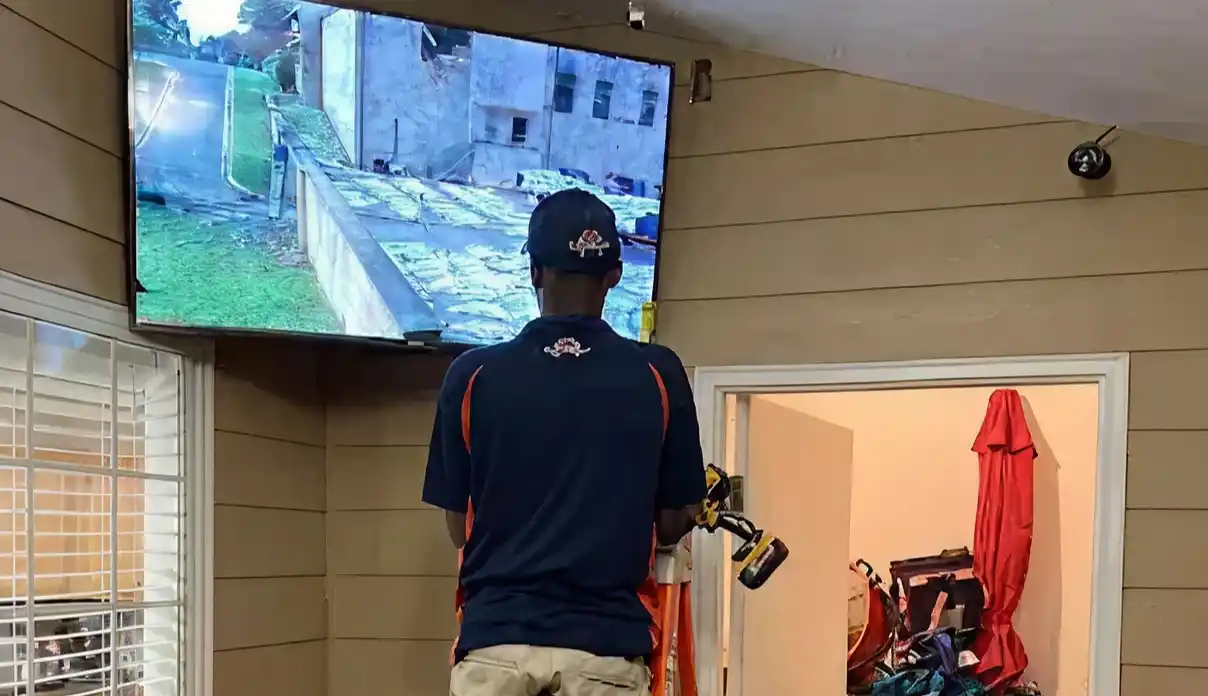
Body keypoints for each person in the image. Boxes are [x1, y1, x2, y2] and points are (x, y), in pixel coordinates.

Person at [422, 188, 707, 696]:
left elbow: (458, 528)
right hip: (605, 651)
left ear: (534, 271)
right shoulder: (657, 373)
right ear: (615, 275)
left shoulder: (471, 375)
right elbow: (671, 522)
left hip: (496, 647)